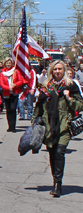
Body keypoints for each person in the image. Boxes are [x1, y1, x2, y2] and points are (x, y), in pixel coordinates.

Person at [32, 60, 83, 197]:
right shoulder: (45, 86)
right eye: (55, 69)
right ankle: (55, 178)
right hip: (48, 125)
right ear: (51, 71)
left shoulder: (70, 86)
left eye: (60, 69)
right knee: (52, 153)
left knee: (60, 152)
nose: (57, 71)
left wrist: (68, 98)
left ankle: (57, 184)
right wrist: (34, 121)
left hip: (64, 125)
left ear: (64, 70)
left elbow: (80, 105)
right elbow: (38, 105)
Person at [0, 58, 24, 132]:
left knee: (13, 109)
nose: (8, 64)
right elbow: (1, 84)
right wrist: (8, 88)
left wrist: (15, 85)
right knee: (8, 110)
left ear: (12, 63)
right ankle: (10, 125)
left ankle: (13, 126)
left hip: (14, 93)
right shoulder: (2, 73)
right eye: (6, 63)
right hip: (6, 93)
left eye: (9, 63)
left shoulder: (16, 71)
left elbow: (21, 81)